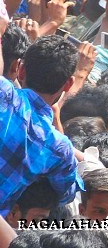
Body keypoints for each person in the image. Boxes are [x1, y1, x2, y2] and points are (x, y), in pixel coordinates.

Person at [0, 33, 80, 216]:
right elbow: (66, 194)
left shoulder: (2, 91)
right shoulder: (59, 148)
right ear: (68, 84)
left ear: (20, 69)